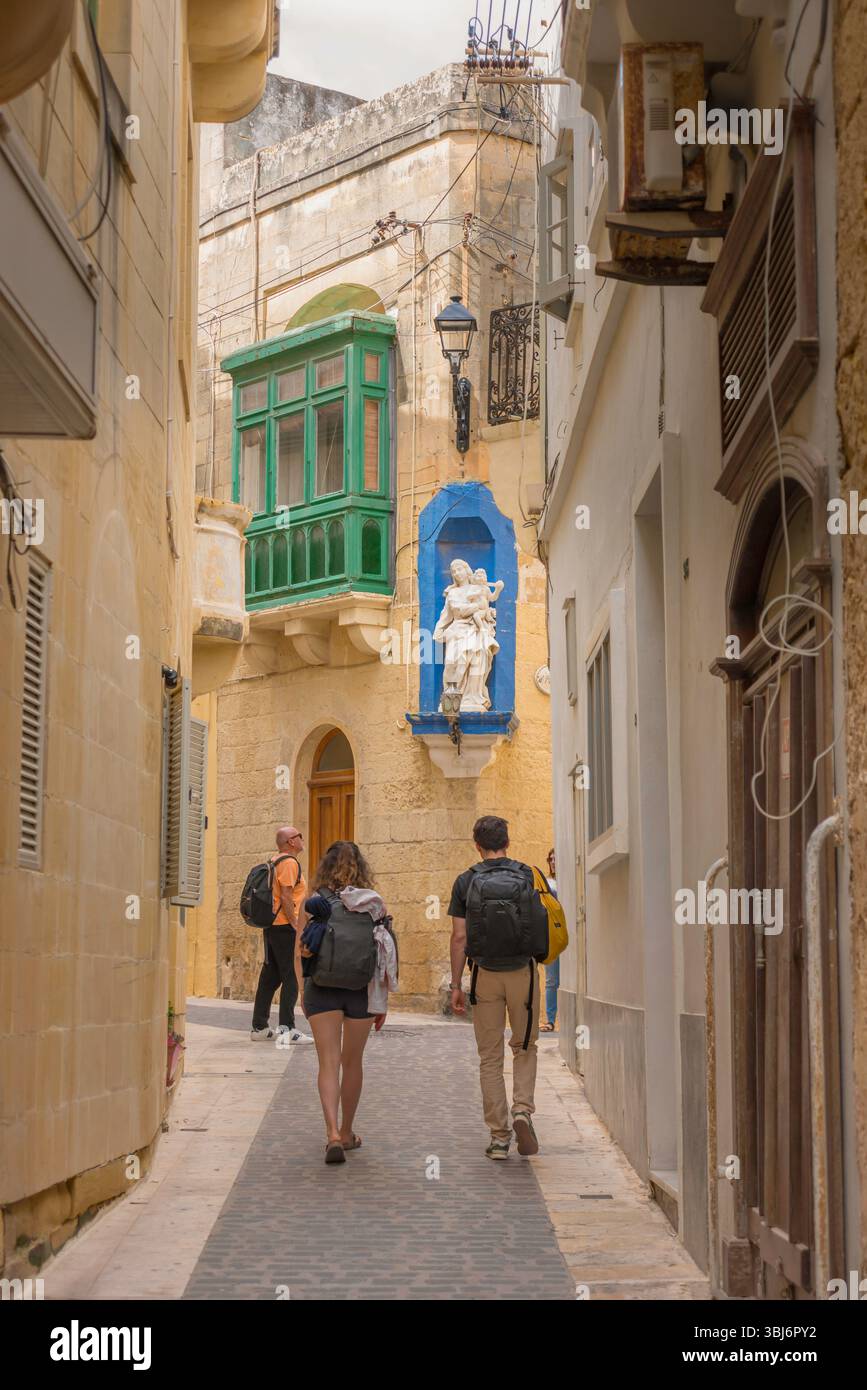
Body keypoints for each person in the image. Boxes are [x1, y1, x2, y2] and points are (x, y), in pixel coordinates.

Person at [449, 815, 542, 1160]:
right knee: (525, 1046)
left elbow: (459, 937)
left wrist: (457, 984)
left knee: (489, 1057)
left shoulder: (465, 881)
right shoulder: (528, 874)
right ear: (508, 841)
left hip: (485, 974)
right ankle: (522, 1110)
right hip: (524, 972)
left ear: (477, 844)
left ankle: (500, 1137)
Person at [301, 841, 390, 1164]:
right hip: (361, 991)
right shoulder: (373, 905)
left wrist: (302, 991)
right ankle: (349, 1131)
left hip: (321, 988)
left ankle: (332, 1134)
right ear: (362, 869)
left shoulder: (314, 903)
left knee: (329, 1062)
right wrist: (381, 1001)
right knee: (353, 1062)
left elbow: (301, 950)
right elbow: (384, 955)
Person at [250, 826, 313, 1044]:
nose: (302, 839)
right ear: (290, 842)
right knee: (292, 976)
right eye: (299, 836)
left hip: (273, 927)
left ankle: (259, 1027)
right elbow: (287, 896)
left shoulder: (275, 860)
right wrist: (296, 925)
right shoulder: (288, 863)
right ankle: (287, 1030)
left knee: (270, 976)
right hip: (285, 927)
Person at [541, 848, 559, 1033]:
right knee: (552, 980)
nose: (553, 862)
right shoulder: (547, 883)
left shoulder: (570, 880)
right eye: (551, 859)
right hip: (551, 937)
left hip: (568, 935)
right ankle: (550, 1020)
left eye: (556, 859)